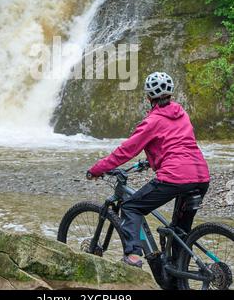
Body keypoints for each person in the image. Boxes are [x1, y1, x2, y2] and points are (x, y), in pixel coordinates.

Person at [87, 72, 210, 268]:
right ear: (170, 94)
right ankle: (176, 276)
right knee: (180, 231)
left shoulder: (152, 121)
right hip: (201, 176)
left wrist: (97, 169)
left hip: (175, 176)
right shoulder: (182, 113)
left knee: (131, 207)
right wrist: (150, 160)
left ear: (148, 97)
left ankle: (133, 256)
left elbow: (126, 151)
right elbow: (176, 144)